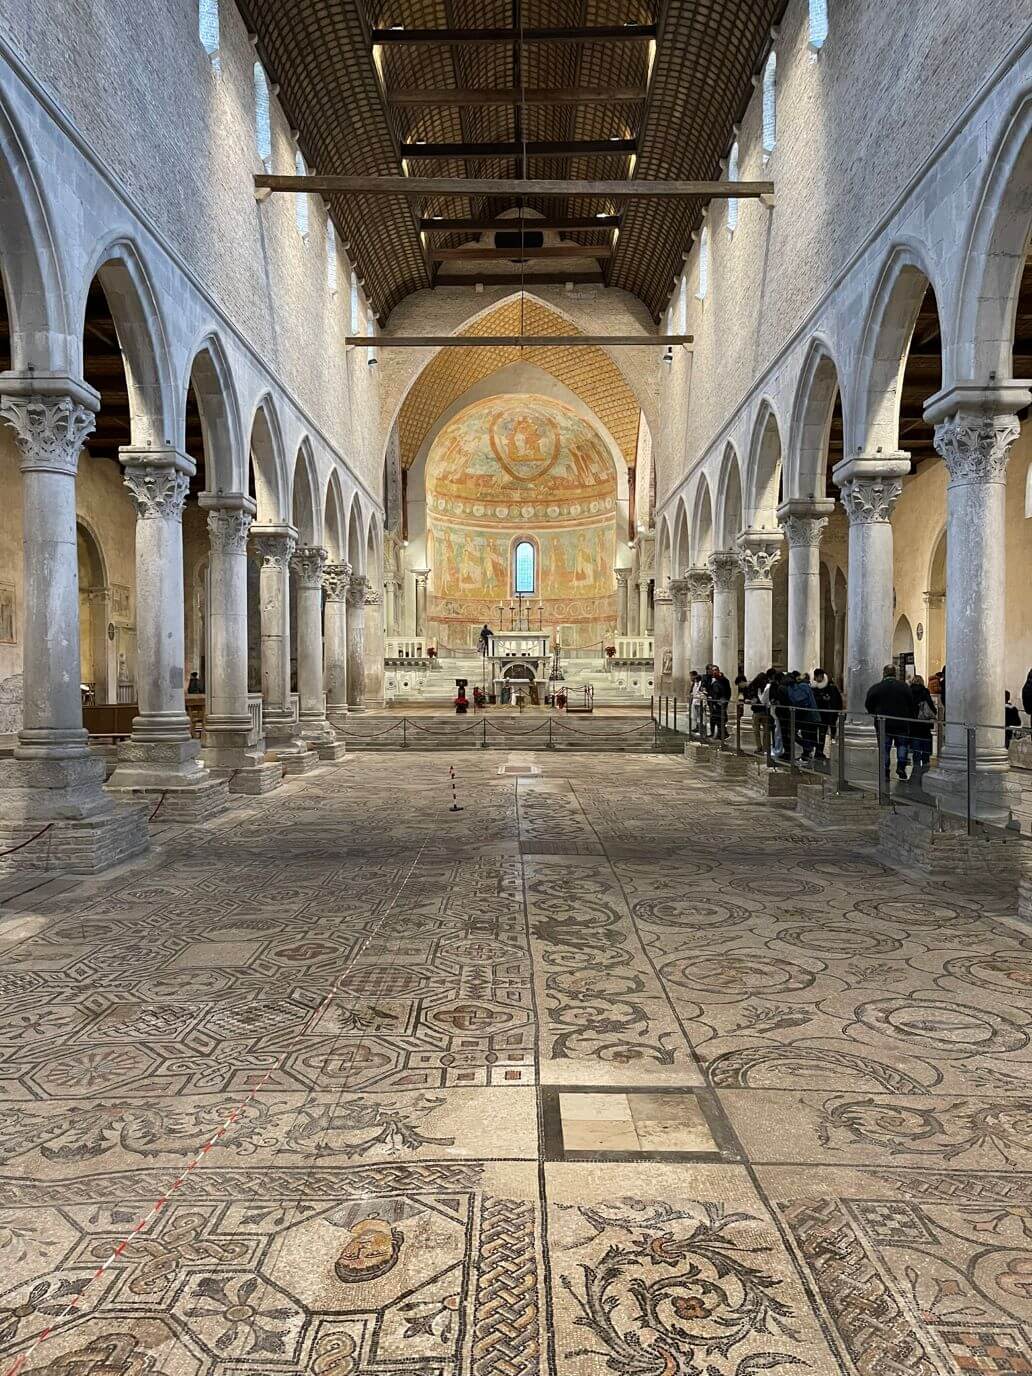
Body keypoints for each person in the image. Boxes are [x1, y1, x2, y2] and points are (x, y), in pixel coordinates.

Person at [865, 664, 915, 780]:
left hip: (884, 724)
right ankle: (901, 767)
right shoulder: (904, 687)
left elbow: (868, 704)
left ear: (884, 673)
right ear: (895, 674)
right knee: (902, 746)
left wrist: (875, 714)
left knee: (884, 748)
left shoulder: (877, 688)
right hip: (901, 723)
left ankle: (885, 771)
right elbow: (911, 704)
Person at [785, 671, 821, 761]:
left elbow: (801, 700)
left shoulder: (801, 686)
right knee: (806, 735)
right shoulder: (803, 686)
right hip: (808, 715)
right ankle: (807, 751)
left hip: (807, 715)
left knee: (805, 734)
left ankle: (808, 750)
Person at [909, 673, 936, 781]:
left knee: (915, 744)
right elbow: (931, 708)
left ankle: (916, 765)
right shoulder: (925, 691)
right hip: (924, 723)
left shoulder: (909, 692)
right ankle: (925, 764)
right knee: (925, 743)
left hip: (912, 723)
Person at [811, 668, 843, 761]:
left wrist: (835, 713)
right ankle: (817, 750)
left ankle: (819, 751)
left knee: (822, 734)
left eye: (820, 676)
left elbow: (836, 701)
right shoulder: (813, 687)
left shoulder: (830, 687)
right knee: (813, 734)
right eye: (816, 676)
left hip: (825, 715)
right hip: (815, 714)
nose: (818, 678)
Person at [707, 664, 732, 738]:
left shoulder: (723, 680)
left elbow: (728, 691)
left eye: (715, 670)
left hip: (720, 702)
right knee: (715, 719)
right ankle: (719, 733)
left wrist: (725, 700)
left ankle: (723, 734)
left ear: (718, 671)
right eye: (713, 670)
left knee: (721, 719)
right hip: (713, 702)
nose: (714, 671)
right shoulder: (712, 680)